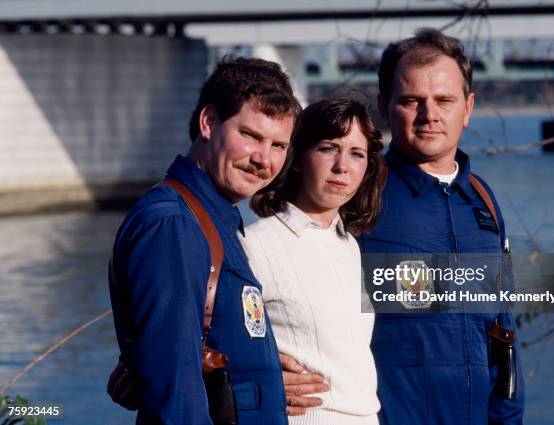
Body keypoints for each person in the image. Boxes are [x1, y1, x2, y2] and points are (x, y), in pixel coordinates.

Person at [286, 28, 525, 425]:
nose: (429, 115)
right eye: (412, 101)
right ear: (385, 105)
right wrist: (264, 361)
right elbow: (281, 285)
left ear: (467, 108)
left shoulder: (483, 201)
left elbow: (504, 336)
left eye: (444, 100)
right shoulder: (354, 191)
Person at [107, 57, 301, 424]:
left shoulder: (212, 220)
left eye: (278, 146)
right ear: (209, 123)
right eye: (250, 136)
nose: (264, 159)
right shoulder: (174, 225)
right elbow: (175, 386)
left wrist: (260, 366)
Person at [241, 97, 386, 425]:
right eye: (327, 148)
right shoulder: (256, 243)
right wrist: (259, 368)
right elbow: (205, 338)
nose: (342, 166)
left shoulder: (348, 245)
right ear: (297, 158)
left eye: (356, 154)